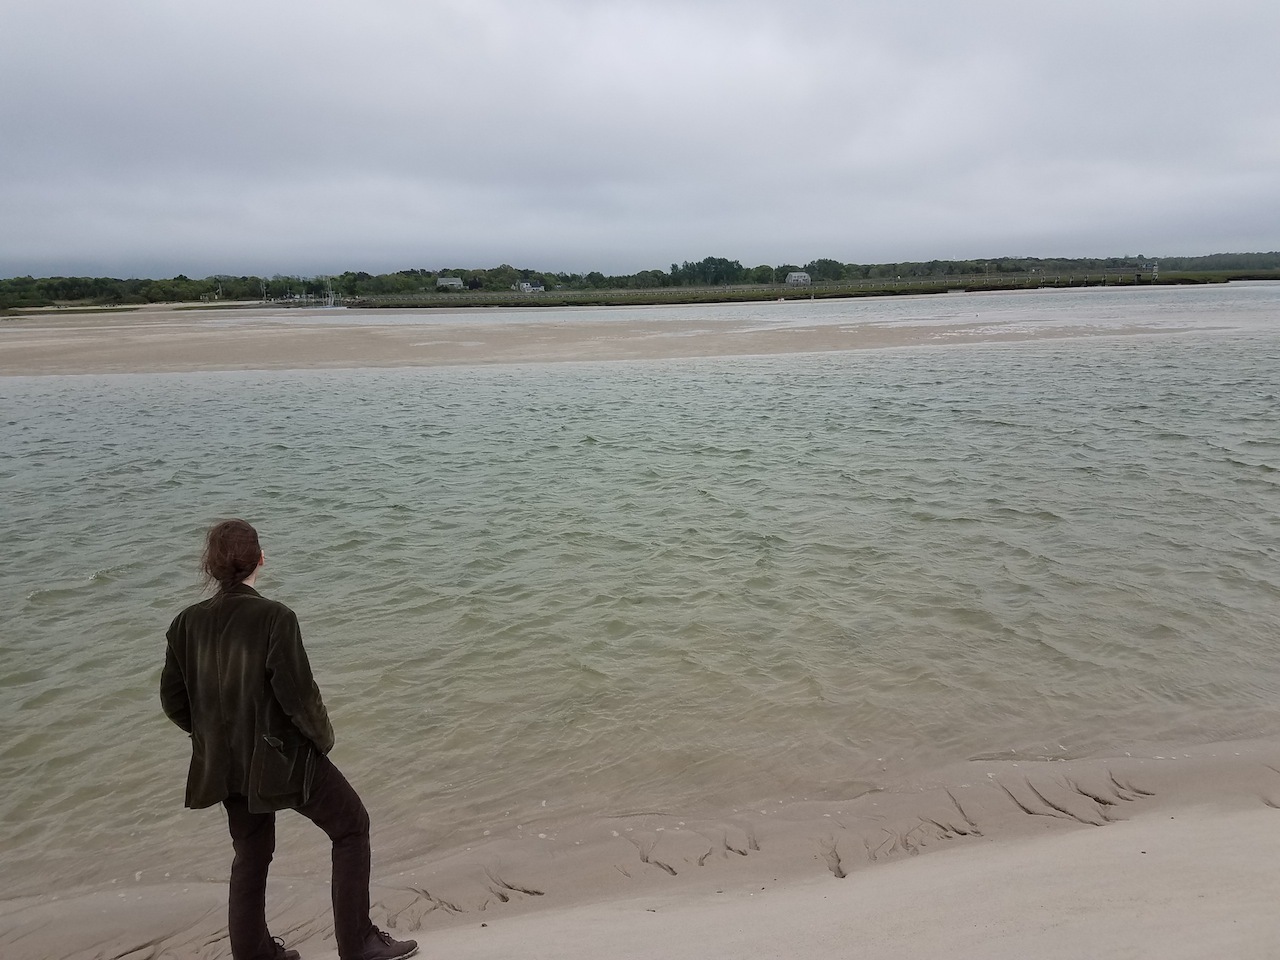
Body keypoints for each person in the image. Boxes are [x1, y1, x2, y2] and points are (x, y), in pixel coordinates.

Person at [161, 519, 418, 960]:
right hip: (282, 758)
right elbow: (298, 696)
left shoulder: (184, 623)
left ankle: (254, 955)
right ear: (261, 559)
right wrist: (323, 740)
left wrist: (214, 737)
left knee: (251, 853)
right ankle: (357, 943)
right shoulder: (275, 617)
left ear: (210, 565)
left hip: (224, 764)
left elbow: (174, 701)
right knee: (351, 827)